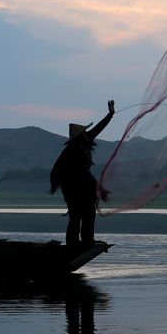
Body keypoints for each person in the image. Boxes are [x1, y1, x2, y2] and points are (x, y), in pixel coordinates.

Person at [50, 100, 115, 245]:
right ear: (80, 137)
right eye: (84, 132)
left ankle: (87, 239)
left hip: (82, 182)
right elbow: (79, 174)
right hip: (70, 184)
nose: (87, 134)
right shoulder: (72, 151)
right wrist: (96, 187)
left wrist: (110, 115)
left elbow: (98, 129)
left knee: (89, 211)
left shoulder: (85, 141)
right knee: (76, 213)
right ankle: (73, 242)